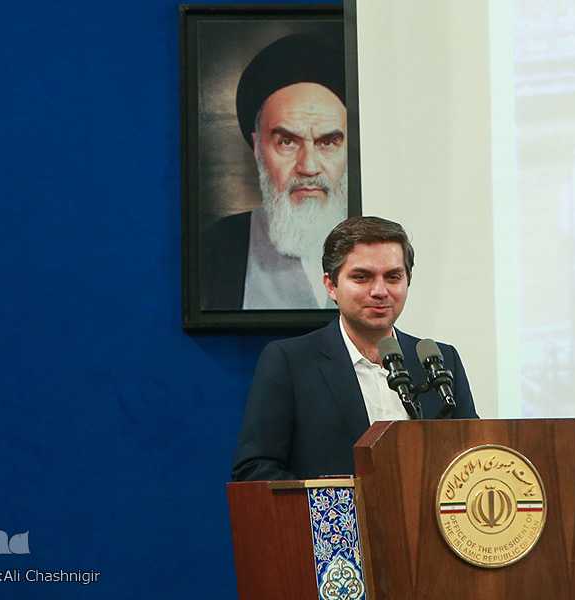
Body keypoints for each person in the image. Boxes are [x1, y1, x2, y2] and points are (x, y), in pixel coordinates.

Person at [231, 217, 478, 481]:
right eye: (362, 277)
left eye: (393, 277)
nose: (380, 291)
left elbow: (476, 459)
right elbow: (254, 469)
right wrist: (336, 501)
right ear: (331, 286)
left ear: (408, 281)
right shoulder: (290, 362)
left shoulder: (439, 360)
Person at [201, 32, 348, 311]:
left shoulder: (383, 240)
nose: (309, 167)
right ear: (258, 147)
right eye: (287, 142)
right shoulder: (213, 252)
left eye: (328, 142)